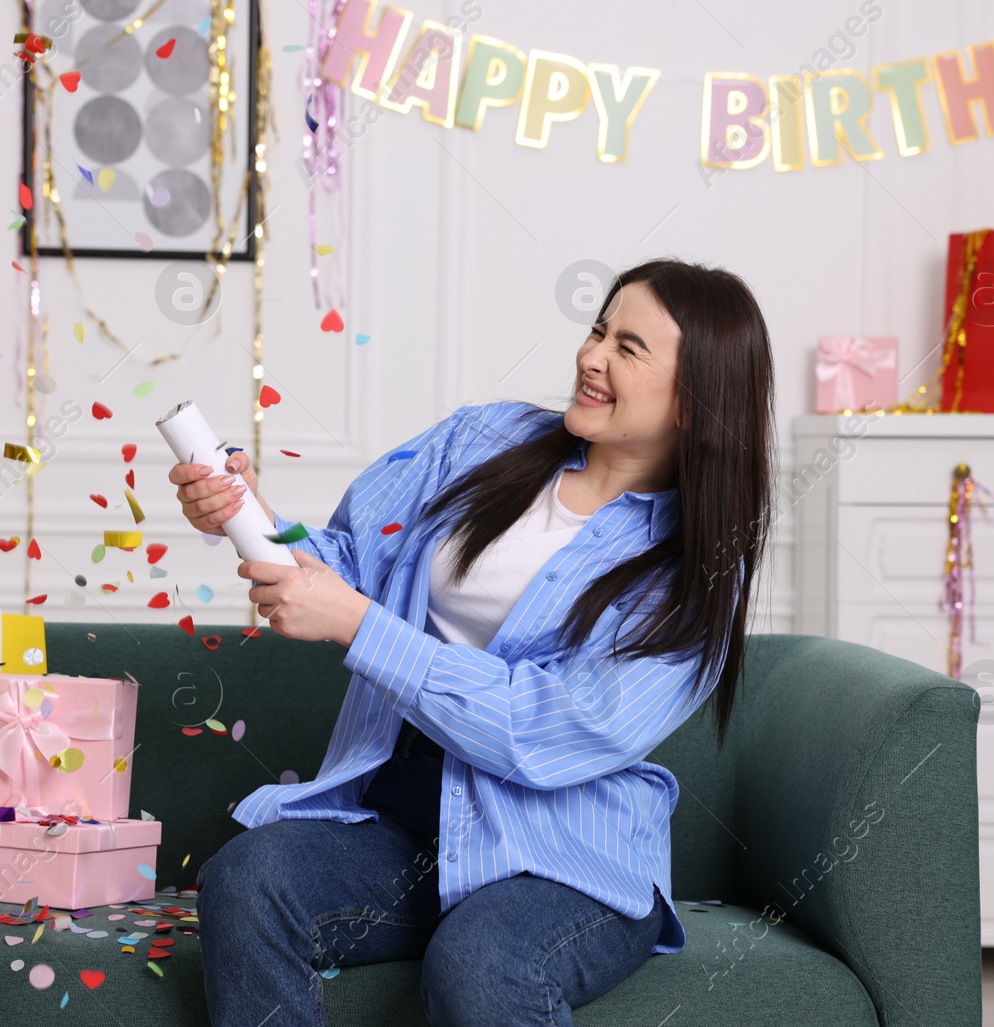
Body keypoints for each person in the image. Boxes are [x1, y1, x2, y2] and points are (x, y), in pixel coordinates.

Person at [169, 258, 775, 1027]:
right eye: (597, 329)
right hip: (407, 817)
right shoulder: (484, 439)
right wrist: (246, 513)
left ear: (697, 401)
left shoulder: (698, 570)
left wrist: (360, 625)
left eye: (629, 347)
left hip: (567, 858)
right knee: (250, 877)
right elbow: (351, 563)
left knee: (483, 962)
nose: (592, 357)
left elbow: (547, 726)